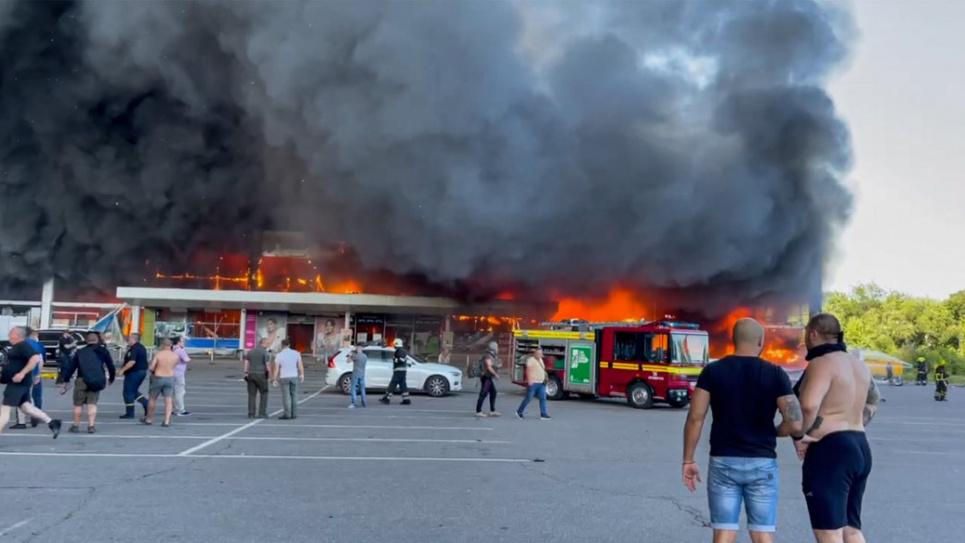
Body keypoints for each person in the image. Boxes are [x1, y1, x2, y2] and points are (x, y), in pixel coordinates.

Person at [682, 318, 802, 543]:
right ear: (760, 341)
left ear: (733, 340)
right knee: (762, 534)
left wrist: (688, 460)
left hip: (723, 462)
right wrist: (777, 431)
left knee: (724, 532)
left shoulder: (712, 371)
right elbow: (795, 423)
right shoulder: (775, 373)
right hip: (762, 462)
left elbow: (695, 418)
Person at [795, 313, 880, 543]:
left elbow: (809, 404)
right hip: (860, 445)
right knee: (851, 528)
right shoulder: (858, 364)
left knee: (828, 532)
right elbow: (874, 400)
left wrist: (804, 434)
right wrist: (855, 424)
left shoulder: (821, 363)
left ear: (813, 334)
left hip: (831, 451)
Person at [0, 327, 61, 438]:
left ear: (16, 335)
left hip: (18, 383)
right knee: (26, 407)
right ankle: (52, 422)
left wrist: (22, 374)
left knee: (5, 408)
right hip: (20, 382)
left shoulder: (22, 345)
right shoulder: (17, 347)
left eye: (10, 333)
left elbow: (35, 358)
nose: (9, 335)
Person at [59, 332, 116, 433]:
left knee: (78, 404)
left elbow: (71, 368)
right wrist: (111, 378)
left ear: (87, 341)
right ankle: (91, 426)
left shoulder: (81, 352)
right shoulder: (103, 351)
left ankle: (76, 426)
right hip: (96, 380)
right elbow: (111, 366)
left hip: (81, 379)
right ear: (97, 340)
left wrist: (66, 381)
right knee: (92, 403)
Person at [10, 327, 46, 429]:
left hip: (22, 373)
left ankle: (21, 422)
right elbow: (41, 360)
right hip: (33, 374)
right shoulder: (38, 346)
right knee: (31, 396)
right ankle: (34, 415)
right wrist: (37, 374)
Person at [143, 338, 179, 427]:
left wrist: (153, 371)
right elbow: (174, 366)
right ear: (171, 345)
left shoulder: (158, 354)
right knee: (168, 400)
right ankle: (167, 420)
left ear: (163, 344)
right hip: (170, 377)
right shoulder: (175, 356)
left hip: (158, 377)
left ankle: (149, 418)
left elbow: (151, 367)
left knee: (152, 399)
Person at [117, 333, 150, 419]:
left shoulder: (134, 348)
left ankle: (130, 412)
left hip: (134, 372)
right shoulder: (140, 347)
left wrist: (122, 370)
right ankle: (146, 404)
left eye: (129, 338)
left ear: (133, 339)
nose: (127, 340)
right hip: (140, 372)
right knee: (133, 391)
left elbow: (132, 362)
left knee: (128, 392)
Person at [271, 339, 304, 420]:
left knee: (286, 396)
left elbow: (276, 369)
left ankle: (287, 414)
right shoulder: (296, 353)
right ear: (289, 345)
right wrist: (302, 374)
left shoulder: (279, 355)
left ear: (282, 345)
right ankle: (294, 413)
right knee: (294, 395)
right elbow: (300, 365)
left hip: (284, 377)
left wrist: (274, 379)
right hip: (294, 376)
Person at [515, 348, 550, 420]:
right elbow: (528, 370)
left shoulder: (540, 360)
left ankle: (543, 414)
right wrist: (529, 380)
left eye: (540, 353)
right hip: (533, 383)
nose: (539, 355)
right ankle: (519, 412)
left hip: (541, 383)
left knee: (543, 398)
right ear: (535, 353)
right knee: (529, 398)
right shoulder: (531, 360)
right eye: (538, 353)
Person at [244, 337, 271, 418]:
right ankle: (262, 413)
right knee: (264, 393)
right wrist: (270, 375)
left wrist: (245, 373)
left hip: (251, 374)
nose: (268, 345)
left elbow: (246, 362)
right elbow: (267, 365)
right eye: (267, 343)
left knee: (252, 394)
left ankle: (251, 413)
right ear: (263, 343)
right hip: (261, 375)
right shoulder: (265, 352)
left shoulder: (251, 351)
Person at [380, 338, 411, 405]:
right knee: (403, 385)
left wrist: (395, 359)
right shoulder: (402, 350)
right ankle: (406, 399)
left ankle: (387, 398)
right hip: (402, 371)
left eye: (394, 344)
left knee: (393, 384)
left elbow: (401, 360)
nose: (394, 346)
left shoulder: (399, 351)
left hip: (398, 370)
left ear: (396, 344)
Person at [474, 341, 500, 417]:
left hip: (488, 377)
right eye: (497, 347)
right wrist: (495, 374)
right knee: (483, 394)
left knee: (493, 392)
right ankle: (478, 411)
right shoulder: (488, 355)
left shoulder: (490, 355)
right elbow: (489, 366)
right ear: (493, 347)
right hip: (486, 377)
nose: (497, 349)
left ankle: (493, 410)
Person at [172, 336, 191, 416]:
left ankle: (172, 408)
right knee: (180, 392)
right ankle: (180, 410)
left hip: (171, 372)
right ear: (178, 342)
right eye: (182, 341)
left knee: (173, 392)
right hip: (179, 373)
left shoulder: (172, 349)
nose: (183, 343)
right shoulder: (180, 350)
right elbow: (186, 359)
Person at [347, 344, 367, 408]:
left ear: (358, 349)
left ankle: (354, 403)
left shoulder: (356, 356)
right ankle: (364, 402)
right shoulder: (365, 356)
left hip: (355, 374)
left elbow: (348, 361)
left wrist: (350, 354)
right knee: (362, 388)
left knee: (353, 388)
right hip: (362, 374)